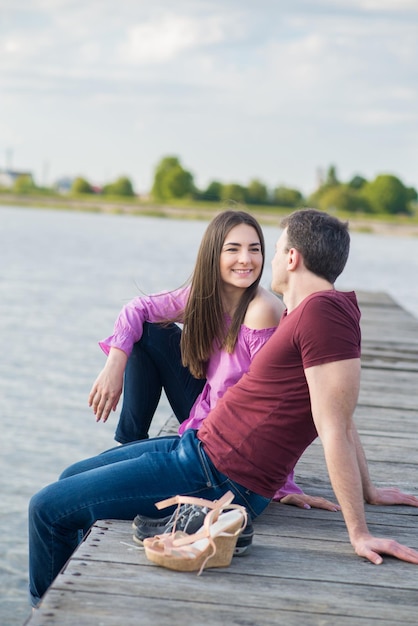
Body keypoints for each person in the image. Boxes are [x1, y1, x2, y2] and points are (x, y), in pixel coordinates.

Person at [29, 209, 418, 607]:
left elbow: (334, 423)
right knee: (68, 478)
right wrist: (368, 490)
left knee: (46, 508)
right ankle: (63, 599)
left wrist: (359, 532)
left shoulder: (321, 315)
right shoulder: (318, 312)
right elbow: (340, 412)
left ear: (291, 257)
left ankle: (46, 611)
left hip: (215, 476)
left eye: (273, 246)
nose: (260, 258)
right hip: (199, 447)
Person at [89, 209, 335, 508]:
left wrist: (281, 485)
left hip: (229, 438)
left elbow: (276, 406)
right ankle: (131, 442)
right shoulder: (203, 297)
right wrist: (116, 362)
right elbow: (137, 307)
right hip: (205, 408)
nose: (246, 259)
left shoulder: (264, 311)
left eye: (254, 249)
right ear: (213, 256)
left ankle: (139, 453)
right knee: (148, 331)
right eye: (233, 249)